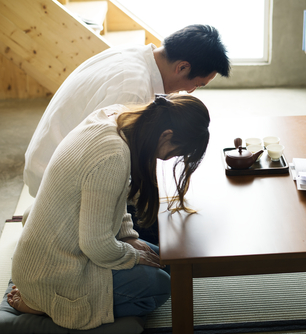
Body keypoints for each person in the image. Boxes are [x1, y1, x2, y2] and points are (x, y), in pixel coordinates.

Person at [8, 94, 211, 330]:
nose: (170, 159)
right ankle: (43, 302)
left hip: (59, 249)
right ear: (166, 135)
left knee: (169, 264)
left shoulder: (115, 118)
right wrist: (133, 256)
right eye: (175, 152)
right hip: (55, 272)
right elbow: (96, 245)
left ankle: (39, 293)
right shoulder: (113, 154)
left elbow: (112, 198)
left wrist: (129, 238)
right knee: (159, 286)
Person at [24, 24, 230, 199]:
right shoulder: (132, 90)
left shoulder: (136, 54)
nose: (190, 91)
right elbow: (106, 160)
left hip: (44, 161)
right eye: (196, 84)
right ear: (182, 67)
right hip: (55, 184)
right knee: (155, 220)